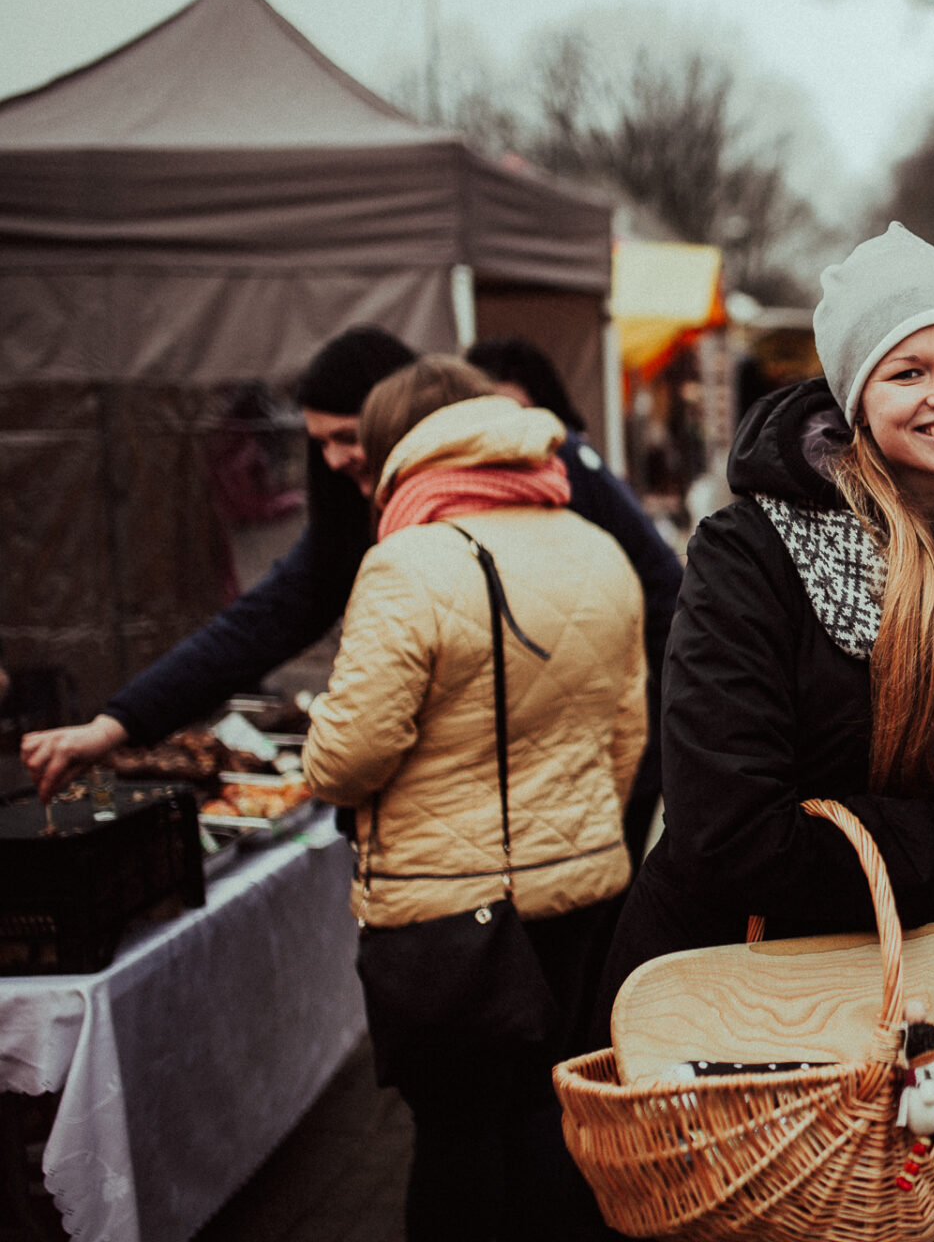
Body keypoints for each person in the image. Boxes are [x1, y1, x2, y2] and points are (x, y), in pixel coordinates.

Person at [592, 224, 934, 1079]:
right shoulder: (752, 552)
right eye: (907, 372)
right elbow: (727, 831)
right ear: (856, 401)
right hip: (735, 1007)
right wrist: (933, 852)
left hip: (916, 998)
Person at [19, 327, 680, 814]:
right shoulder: (361, 522)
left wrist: (629, 772)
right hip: (483, 826)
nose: (333, 459)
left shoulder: (555, 470)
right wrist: (118, 722)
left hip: (581, 797)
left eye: (346, 436)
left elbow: (663, 604)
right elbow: (259, 623)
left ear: (399, 418)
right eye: (320, 442)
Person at [303, 356, 645, 1239]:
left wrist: (319, 727)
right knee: (548, 1113)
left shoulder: (407, 561)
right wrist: (573, 833)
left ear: (395, 453)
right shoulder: (597, 546)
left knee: (455, 1137)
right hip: (580, 887)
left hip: (448, 908)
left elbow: (345, 764)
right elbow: (627, 734)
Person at [466, 335, 684, 869]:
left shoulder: (566, 464)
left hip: (621, 731)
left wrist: (654, 723)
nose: (505, 427)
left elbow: (665, 593)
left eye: (513, 409)